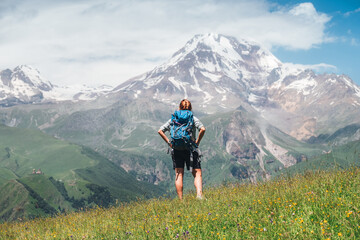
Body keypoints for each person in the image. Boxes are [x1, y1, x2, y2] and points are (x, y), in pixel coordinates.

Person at [158, 99, 206, 200]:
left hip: (176, 149)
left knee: (179, 174)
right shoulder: (192, 118)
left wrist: (169, 142)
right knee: (197, 173)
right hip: (191, 149)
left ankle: (181, 200)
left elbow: (160, 130)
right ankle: (199, 195)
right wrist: (197, 142)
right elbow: (202, 129)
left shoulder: (174, 118)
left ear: (179, 107)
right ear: (190, 108)